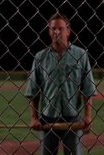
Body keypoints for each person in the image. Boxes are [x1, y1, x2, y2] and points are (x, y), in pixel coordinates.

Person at [25, 13, 97, 155]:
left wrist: (88, 115)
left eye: (60, 28)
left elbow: (87, 88)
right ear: (49, 31)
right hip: (47, 119)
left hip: (73, 118)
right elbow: (33, 90)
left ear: (68, 31)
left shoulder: (80, 55)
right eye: (53, 28)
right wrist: (34, 117)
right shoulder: (40, 57)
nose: (56, 31)